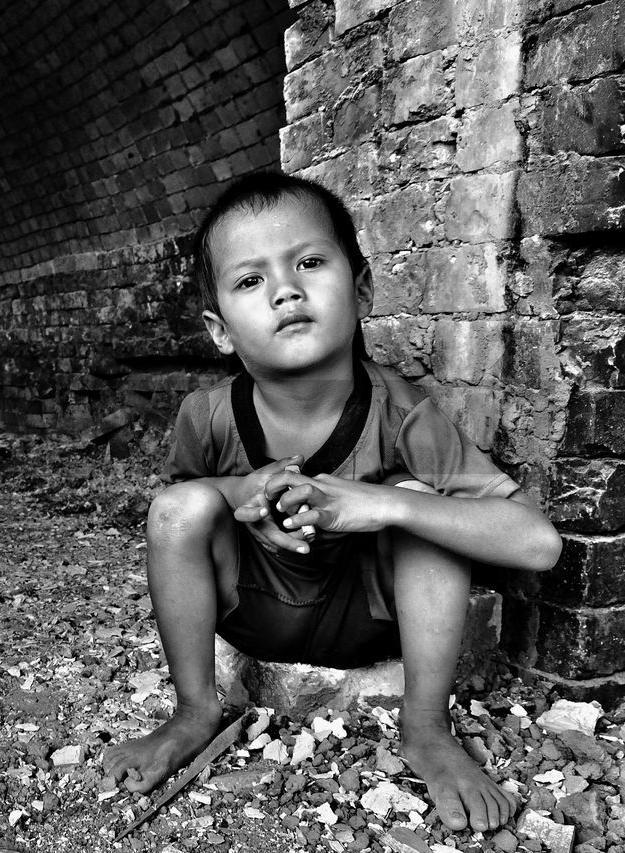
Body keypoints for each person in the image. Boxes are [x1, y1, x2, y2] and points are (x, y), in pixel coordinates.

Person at [102, 172, 563, 833]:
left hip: (366, 616)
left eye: (310, 262)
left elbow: (537, 544)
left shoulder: (403, 413)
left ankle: (427, 728)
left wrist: (378, 504)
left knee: (415, 499)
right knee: (179, 506)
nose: (285, 290)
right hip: (252, 608)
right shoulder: (205, 416)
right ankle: (194, 710)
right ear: (220, 329)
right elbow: (180, 519)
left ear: (363, 288)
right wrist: (242, 491)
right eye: (250, 281)